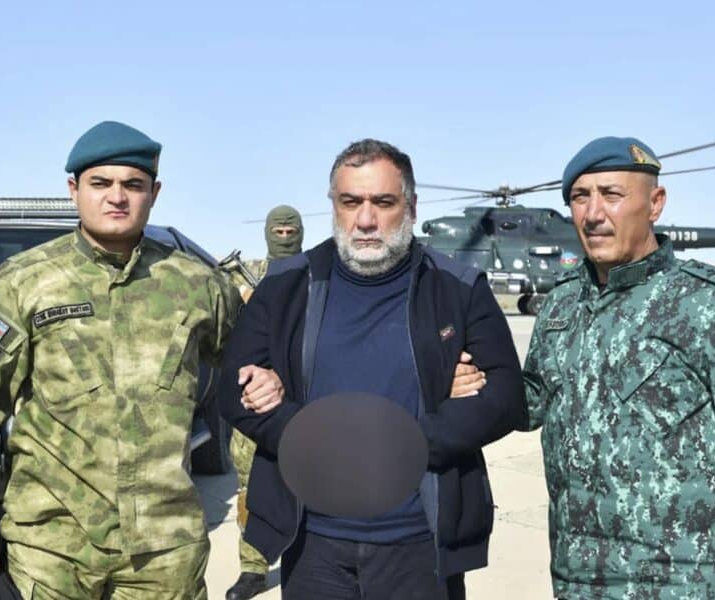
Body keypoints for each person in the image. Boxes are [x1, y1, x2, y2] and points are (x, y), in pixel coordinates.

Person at [0, 121, 251, 598]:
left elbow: (251, 380)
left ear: (153, 193)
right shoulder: (27, 281)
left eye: (133, 185)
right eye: (101, 183)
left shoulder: (196, 284)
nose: (117, 197)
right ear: (74, 189)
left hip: (164, 554)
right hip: (52, 550)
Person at [218, 138, 525, 600]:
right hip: (313, 541)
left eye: (383, 202)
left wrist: (411, 445)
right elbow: (230, 389)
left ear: (411, 206)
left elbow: (505, 397)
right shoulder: (286, 287)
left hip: (419, 544)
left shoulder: (457, 290)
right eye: (350, 202)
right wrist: (305, 437)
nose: (365, 219)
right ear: (334, 206)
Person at [520, 136, 715, 599]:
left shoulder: (712, 307)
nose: (594, 213)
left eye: (612, 195)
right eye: (581, 197)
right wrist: (464, 372)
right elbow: (530, 402)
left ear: (654, 203)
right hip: (579, 581)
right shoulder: (560, 306)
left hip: (688, 582)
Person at [224, 204, 303, 600]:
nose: (284, 237)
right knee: (249, 485)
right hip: (253, 395)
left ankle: (302, 562)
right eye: (278, 231)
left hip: (303, 392)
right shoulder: (243, 271)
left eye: (291, 232)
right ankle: (252, 568)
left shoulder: (318, 270)